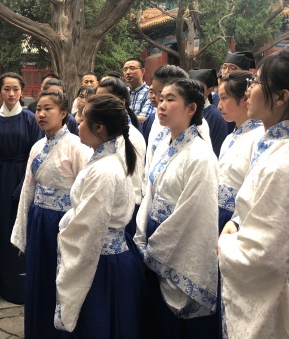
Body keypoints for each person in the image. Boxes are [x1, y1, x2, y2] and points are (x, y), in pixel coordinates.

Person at [218, 48, 289, 339]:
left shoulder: (285, 163)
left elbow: (263, 257)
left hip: (283, 299)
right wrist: (237, 222)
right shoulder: (278, 147)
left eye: (256, 82)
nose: (248, 90)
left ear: (281, 97)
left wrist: (225, 242)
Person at [55, 94, 148, 337]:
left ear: (98, 127)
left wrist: (66, 237)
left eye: (81, 118)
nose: (77, 123)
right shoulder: (105, 161)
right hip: (107, 258)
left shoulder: (104, 170)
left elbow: (89, 227)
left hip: (102, 263)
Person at [135, 78, 220, 338]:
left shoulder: (201, 156)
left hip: (176, 243)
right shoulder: (165, 146)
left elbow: (192, 214)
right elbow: (150, 193)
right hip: (154, 235)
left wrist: (154, 249)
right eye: (161, 99)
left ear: (191, 108)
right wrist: (141, 235)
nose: (161, 105)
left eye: (170, 99)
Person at [11, 90, 91, 339]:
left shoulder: (77, 146)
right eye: (38, 109)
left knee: (62, 280)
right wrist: (22, 232)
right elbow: (27, 190)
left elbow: (85, 193)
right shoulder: (37, 147)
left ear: (64, 113)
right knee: (40, 278)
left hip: (64, 223)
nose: (42, 114)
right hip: (39, 220)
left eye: (48, 109)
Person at [0, 72, 42, 304]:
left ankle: (23, 286)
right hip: (0, 177)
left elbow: (36, 153)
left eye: (15, 89)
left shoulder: (29, 119)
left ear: (22, 91)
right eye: (6, 89)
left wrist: (24, 185)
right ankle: (4, 284)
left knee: (23, 228)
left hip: (24, 176)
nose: (11, 94)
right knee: (3, 230)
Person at [96, 77, 146, 236]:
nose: (98, 106)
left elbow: (131, 184)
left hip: (122, 212)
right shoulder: (104, 133)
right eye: (96, 100)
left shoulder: (132, 138)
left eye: (104, 100)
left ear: (122, 103)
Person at [216, 72, 263, 232]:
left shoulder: (259, 138)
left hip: (238, 219)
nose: (219, 105)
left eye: (224, 98)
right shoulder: (230, 137)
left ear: (245, 99)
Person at [188, 69, 229, 157]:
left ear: (210, 89)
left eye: (197, 88)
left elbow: (217, 151)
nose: (192, 92)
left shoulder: (216, 116)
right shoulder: (182, 113)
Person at [123, 58, 154, 123]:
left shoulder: (150, 93)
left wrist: (118, 118)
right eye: (125, 69)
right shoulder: (122, 92)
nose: (128, 72)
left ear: (142, 71)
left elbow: (144, 119)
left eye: (132, 68)